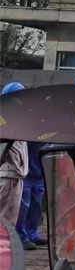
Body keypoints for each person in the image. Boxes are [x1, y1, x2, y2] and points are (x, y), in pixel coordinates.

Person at [0, 83, 30, 244]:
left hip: (12, 173)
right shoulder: (6, 119)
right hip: (9, 174)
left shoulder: (15, 118)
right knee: (6, 219)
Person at [16, 141, 47, 248]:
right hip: (25, 175)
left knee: (36, 206)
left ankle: (32, 234)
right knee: (23, 207)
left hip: (39, 175)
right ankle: (21, 237)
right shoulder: (28, 136)